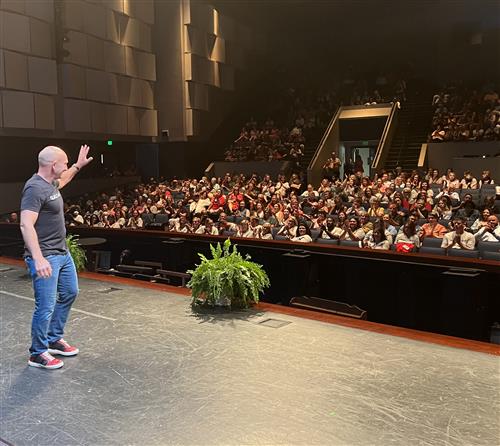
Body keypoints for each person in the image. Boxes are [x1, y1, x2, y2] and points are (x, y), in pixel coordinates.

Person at [20, 144, 93, 369]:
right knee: (45, 306)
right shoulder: (34, 188)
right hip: (46, 256)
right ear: (53, 165)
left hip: (62, 252)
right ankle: (38, 353)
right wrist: (38, 258)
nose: (65, 165)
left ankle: (53, 338)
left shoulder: (49, 184)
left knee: (70, 292)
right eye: (64, 162)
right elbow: (25, 224)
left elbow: (64, 181)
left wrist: (77, 166)